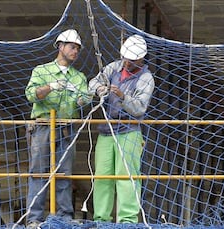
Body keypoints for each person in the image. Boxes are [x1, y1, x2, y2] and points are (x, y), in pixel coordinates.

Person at [24, 29, 89, 228]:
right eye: (72, 47)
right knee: (39, 173)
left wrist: (83, 98)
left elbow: (84, 99)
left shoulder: (79, 77)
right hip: (43, 126)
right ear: (60, 46)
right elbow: (31, 95)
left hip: (66, 127)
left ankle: (64, 217)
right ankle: (34, 218)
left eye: (78, 48)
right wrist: (50, 86)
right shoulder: (41, 71)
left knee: (64, 174)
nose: (75, 51)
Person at [88, 34, 155, 223]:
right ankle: (101, 219)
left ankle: (127, 221)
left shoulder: (146, 78)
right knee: (102, 177)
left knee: (127, 177)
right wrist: (100, 89)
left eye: (131, 59)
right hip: (106, 131)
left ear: (140, 59)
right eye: (125, 58)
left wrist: (123, 96)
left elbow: (140, 108)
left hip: (129, 131)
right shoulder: (113, 68)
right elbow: (92, 83)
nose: (127, 62)